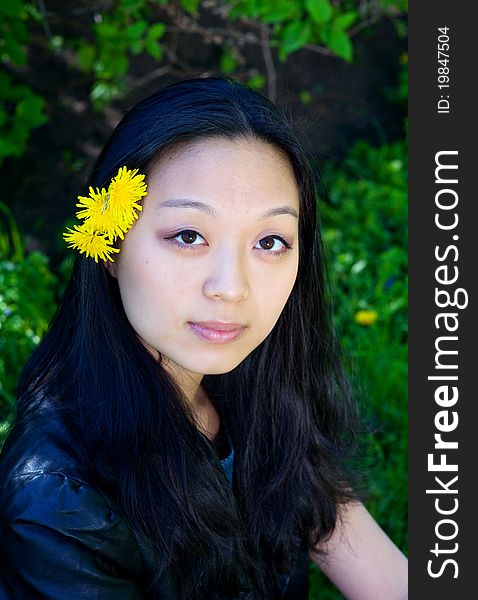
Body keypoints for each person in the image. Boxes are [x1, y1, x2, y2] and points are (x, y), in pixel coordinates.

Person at [0, 76, 407, 599]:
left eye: (269, 240)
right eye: (188, 236)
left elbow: (382, 574)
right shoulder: (59, 502)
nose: (232, 288)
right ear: (110, 245)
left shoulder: (261, 382)